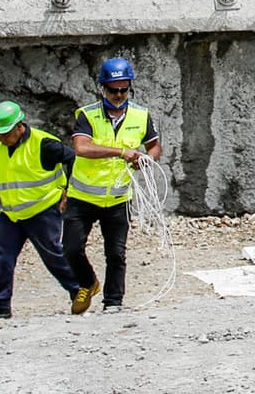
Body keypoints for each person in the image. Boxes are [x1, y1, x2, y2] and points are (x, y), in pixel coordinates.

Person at [0, 101, 91, 319]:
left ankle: (79, 290)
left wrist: (69, 192)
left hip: (42, 210)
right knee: (2, 257)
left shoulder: (44, 144)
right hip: (11, 213)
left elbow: (74, 159)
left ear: (19, 127)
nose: (1, 138)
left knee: (53, 254)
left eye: (5, 134)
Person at [64, 56, 162, 315]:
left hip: (118, 198)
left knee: (116, 254)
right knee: (71, 248)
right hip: (83, 197)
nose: (119, 95)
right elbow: (81, 148)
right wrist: (121, 152)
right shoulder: (87, 115)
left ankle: (113, 301)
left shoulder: (141, 115)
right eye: (113, 89)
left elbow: (154, 145)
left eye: (123, 89)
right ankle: (88, 283)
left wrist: (148, 160)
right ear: (102, 88)